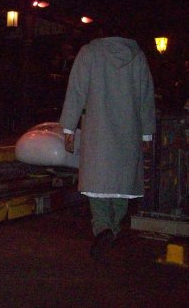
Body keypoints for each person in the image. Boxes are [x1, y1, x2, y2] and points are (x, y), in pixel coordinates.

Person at [59, 22, 156, 260]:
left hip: (98, 132)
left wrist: (68, 128)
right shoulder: (138, 57)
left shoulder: (89, 53)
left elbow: (76, 91)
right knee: (122, 186)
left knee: (97, 184)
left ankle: (103, 228)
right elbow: (146, 96)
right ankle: (112, 227)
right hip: (129, 133)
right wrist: (147, 133)